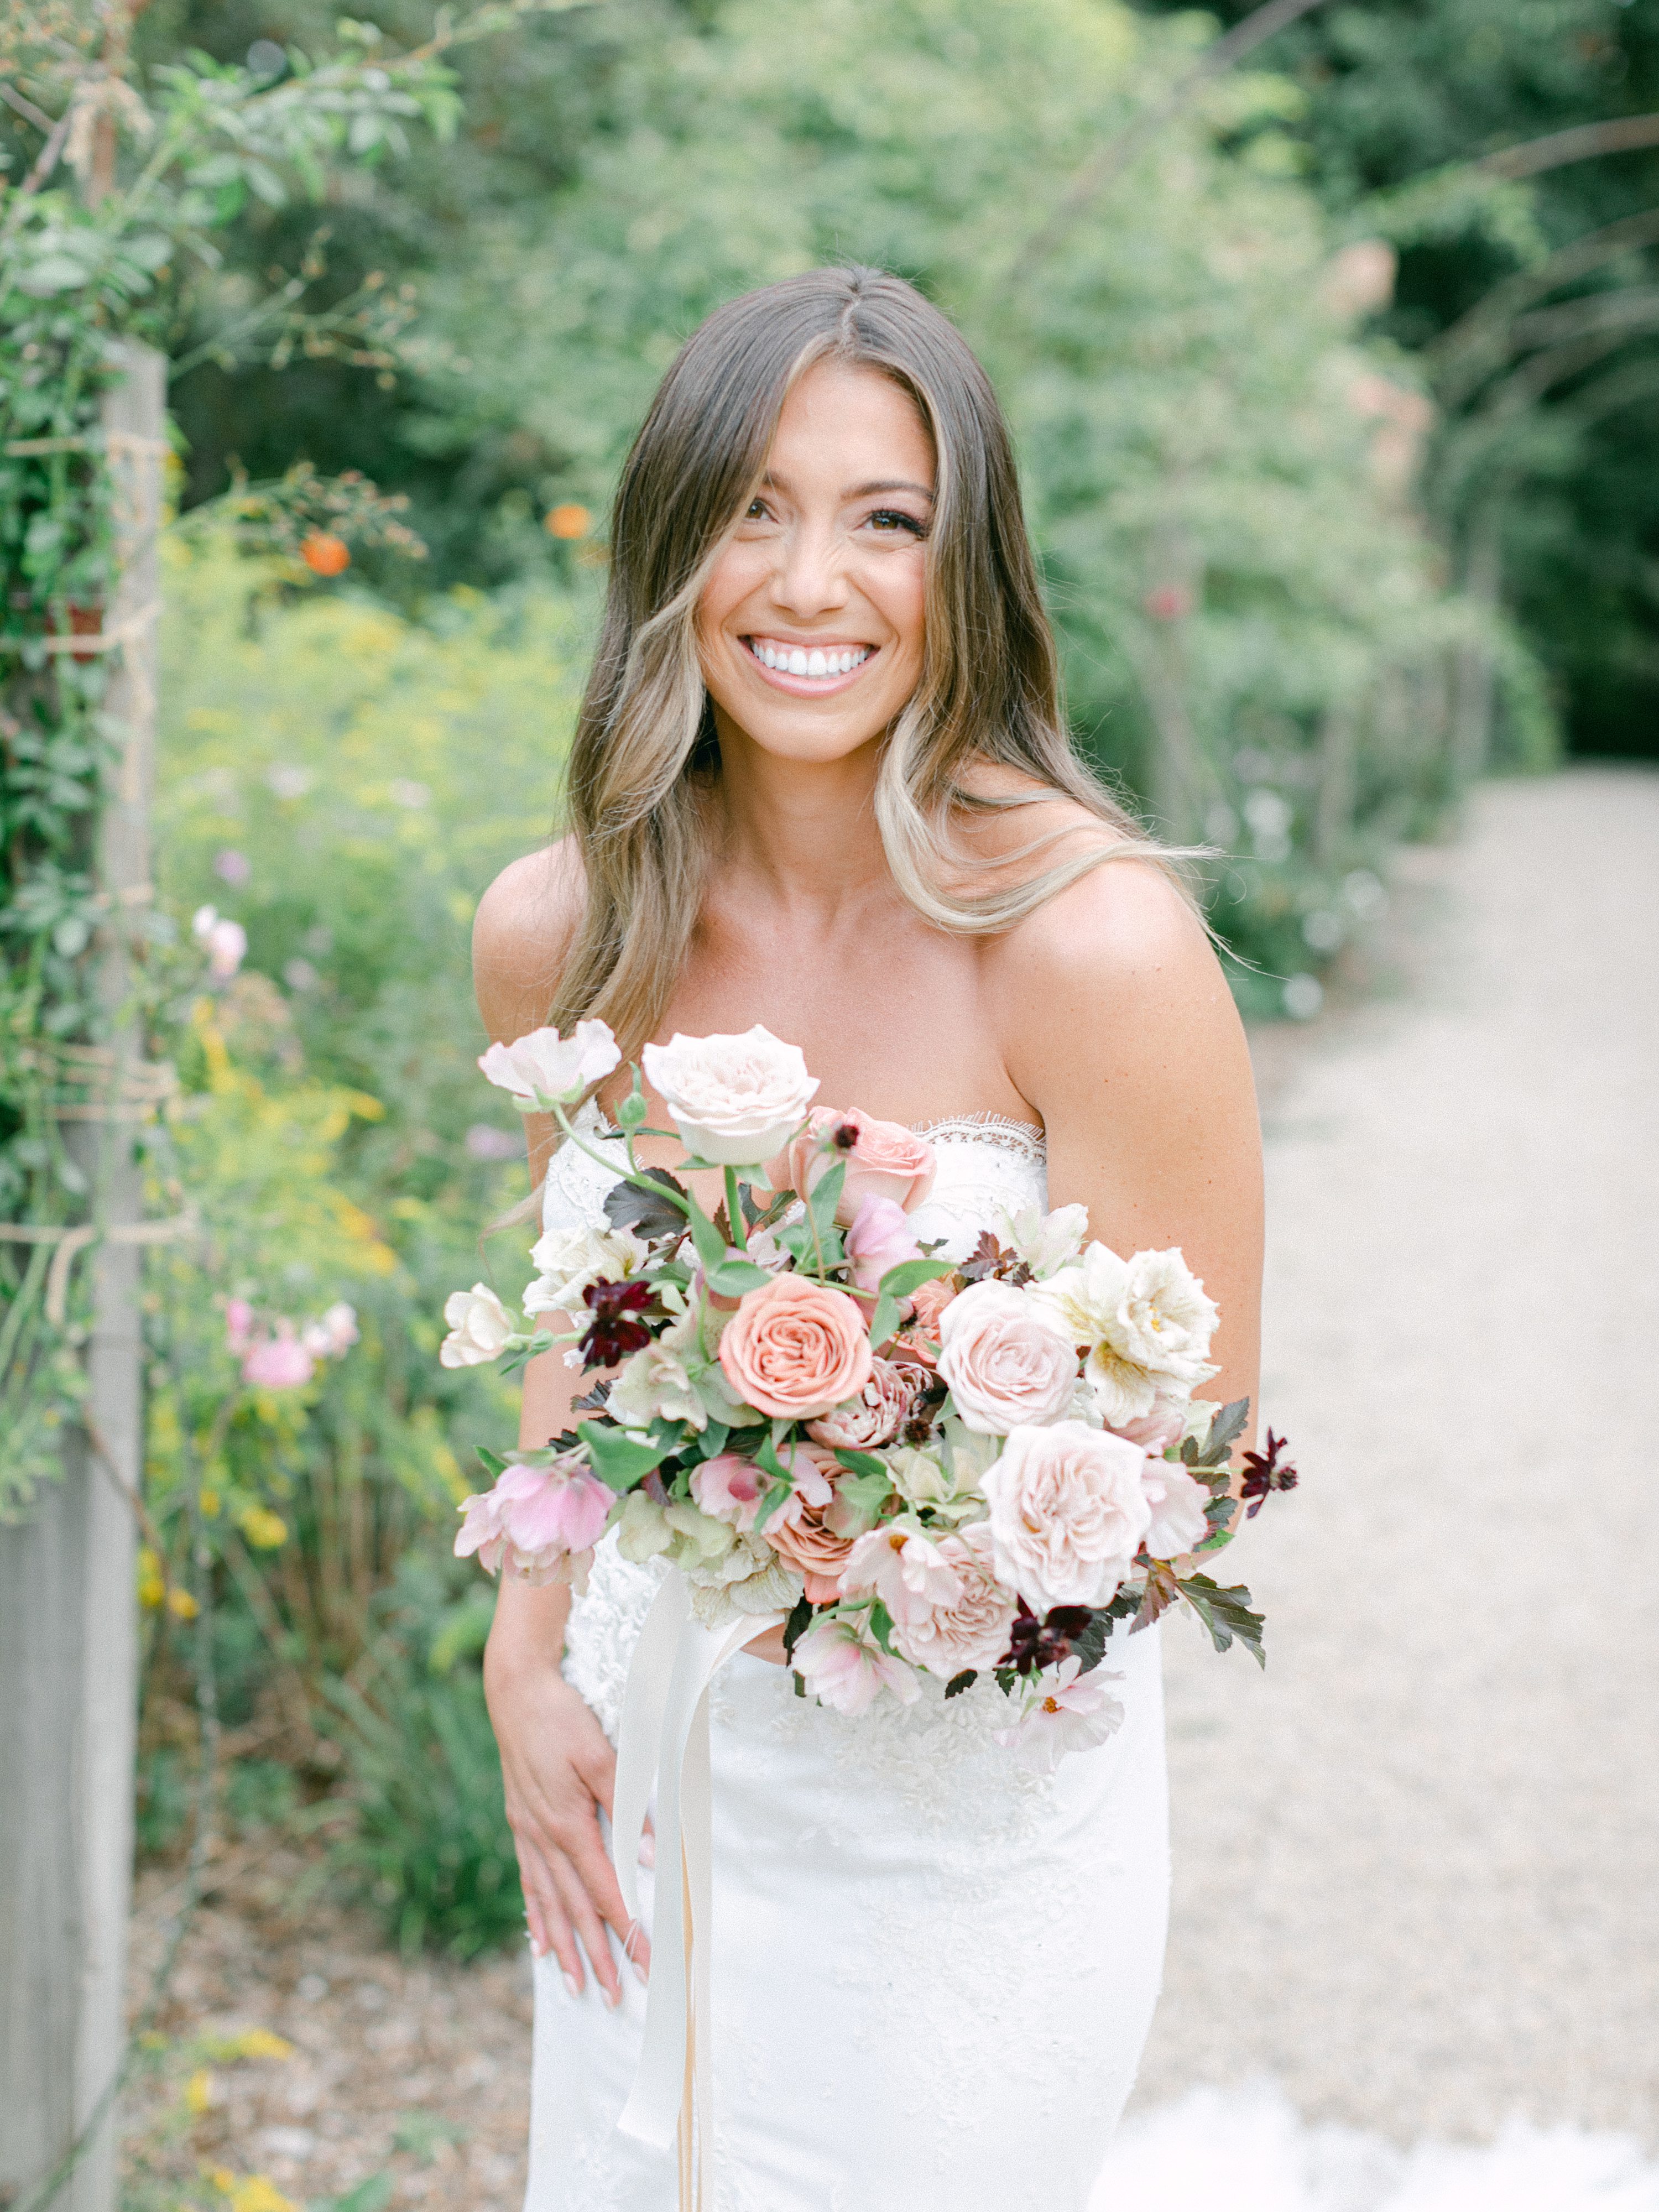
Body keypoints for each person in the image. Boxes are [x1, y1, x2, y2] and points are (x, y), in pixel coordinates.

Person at [473, 265, 1263, 2212]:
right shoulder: (559, 932)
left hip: (961, 1842)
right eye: (752, 506)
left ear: (966, 564)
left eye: (884, 519)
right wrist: (521, 1647)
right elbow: (590, 1325)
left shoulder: (1096, 948)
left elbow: (1193, 1472)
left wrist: (886, 1496)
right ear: (669, 544)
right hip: (641, 1799)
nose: (809, 581)